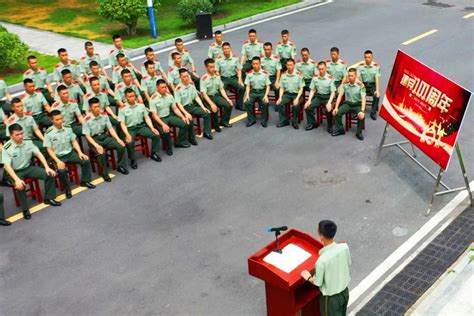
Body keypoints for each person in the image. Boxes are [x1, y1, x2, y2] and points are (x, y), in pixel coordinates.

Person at [2, 124, 61, 220]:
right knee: (20, 186)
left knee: (49, 175)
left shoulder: (28, 141)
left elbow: (38, 154)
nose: (20, 136)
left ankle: (49, 198)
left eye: (21, 133)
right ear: (11, 135)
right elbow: (7, 166)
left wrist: (47, 167)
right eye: (17, 135)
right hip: (15, 172)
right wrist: (16, 180)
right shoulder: (6, 148)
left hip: (28, 168)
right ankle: (25, 209)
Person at [301, 220, 351, 316]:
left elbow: (317, 282)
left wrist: (308, 277)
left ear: (321, 237)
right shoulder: (344, 248)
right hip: (344, 293)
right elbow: (348, 263)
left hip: (331, 300)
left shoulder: (321, 261)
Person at [44, 110, 96, 199]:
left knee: (85, 160)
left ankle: (85, 181)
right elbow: (49, 149)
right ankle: (67, 188)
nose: (60, 121)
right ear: (51, 120)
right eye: (57, 120)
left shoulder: (67, 127)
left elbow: (73, 141)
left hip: (70, 153)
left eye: (61, 118)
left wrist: (80, 153)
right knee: (61, 171)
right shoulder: (48, 133)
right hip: (58, 157)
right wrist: (57, 161)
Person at [82, 98, 129, 182]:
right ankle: (105, 173)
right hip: (94, 139)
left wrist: (118, 139)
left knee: (120, 146)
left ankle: (120, 166)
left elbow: (110, 128)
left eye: (98, 106)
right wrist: (96, 145)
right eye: (95, 107)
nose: (97, 108)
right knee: (101, 153)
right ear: (90, 108)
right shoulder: (86, 120)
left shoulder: (104, 115)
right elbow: (87, 136)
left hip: (104, 136)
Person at [119, 88, 161, 169]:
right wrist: (127, 134)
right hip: (130, 129)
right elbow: (122, 123)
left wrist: (152, 128)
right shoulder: (122, 108)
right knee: (130, 142)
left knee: (156, 135)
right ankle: (133, 160)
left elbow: (146, 118)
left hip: (141, 127)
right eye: (129, 97)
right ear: (126, 97)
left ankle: (154, 153)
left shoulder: (141, 105)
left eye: (133, 96)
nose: (131, 98)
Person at [150, 79, 193, 155]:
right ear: (157, 88)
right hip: (160, 119)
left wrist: (183, 117)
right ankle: (168, 148)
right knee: (166, 130)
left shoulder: (169, 96)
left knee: (185, 123)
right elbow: (154, 115)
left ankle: (180, 141)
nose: (164, 89)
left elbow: (175, 109)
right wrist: (163, 124)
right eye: (162, 87)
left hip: (169, 116)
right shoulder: (153, 99)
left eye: (165, 87)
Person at [174, 69, 213, 140]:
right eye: (184, 77)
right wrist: (185, 113)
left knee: (206, 113)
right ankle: (191, 138)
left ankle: (207, 132)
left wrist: (203, 107)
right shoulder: (178, 89)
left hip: (192, 106)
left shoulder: (191, 85)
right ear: (180, 77)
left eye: (187, 76)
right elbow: (178, 104)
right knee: (190, 119)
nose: (186, 78)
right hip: (184, 108)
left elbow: (196, 97)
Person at [332, 68, 366, 140]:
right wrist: (336, 107)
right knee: (337, 113)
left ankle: (359, 132)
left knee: (361, 116)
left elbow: (363, 98)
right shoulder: (345, 84)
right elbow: (340, 95)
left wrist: (362, 110)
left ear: (356, 76)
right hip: (348, 103)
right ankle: (340, 129)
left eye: (352, 76)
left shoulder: (360, 85)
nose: (350, 77)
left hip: (357, 104)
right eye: (349, 76)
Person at [200, 58, 234, 130]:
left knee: (229, 105)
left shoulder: (217, 76)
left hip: (216, 96)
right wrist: (212, 104)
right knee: (214, 108)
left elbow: (221, 89)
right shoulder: (204, 79)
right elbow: (204, 94)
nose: (213, 69)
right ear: (206, 67)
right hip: (208, 98)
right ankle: (215, 126)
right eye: (211, 67)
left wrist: (227, 99)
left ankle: (224, 121)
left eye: (214, 66)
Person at [304, 61, 337, 133]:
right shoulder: (315, 77)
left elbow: (333, 92)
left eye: (322, 69)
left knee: (328, 109)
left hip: (328, 97)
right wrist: (309, 100)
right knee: (307, 107)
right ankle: (313, 123)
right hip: (318, 96)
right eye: (319, 69)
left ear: (326, 68)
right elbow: (312, 90)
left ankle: (330, 125)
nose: (321, 70)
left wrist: (329, 103)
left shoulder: (330, 78)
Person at [215, 42, 245, 110]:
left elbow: (239, 69)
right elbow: (217, 71)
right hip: (223, 79)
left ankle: (239, 104)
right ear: (222, 50)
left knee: (242, 88)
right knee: (220, 90)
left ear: (230, 49)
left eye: (227, 48)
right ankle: (225, 105)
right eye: (224, 49)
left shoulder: (235, 58)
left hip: (233, 78)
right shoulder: (218, 59)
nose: (226, 50)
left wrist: (240, 80)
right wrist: (219, 81)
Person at [276, 58, 305, 129]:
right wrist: (280, 98)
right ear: (286, 65)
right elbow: (282, 87)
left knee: (295, 105)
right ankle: (284, 120)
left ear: (294, 65)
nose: (289, 66)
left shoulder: (299, 74)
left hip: (297, 95)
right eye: (288, 65)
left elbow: (301, 88)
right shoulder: (283, 75)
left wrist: (297, 99)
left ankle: (294, 121)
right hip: (287, 94)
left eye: (291, 65)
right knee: (279, 104)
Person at [243, 57, 270, 128]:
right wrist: (247, 95)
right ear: (252, 64)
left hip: (262, 92)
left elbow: (268, 86)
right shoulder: (249, 74)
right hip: (253, 92)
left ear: (260, 64)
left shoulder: (265, 73)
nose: (255, 65)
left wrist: (266, 95)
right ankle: (252, 119)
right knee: (247, 102)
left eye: (257, 64)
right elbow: (248, 86)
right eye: (254, 64)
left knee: (265, 103)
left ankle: (264, 120)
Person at [356, 50, 381, 120]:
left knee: (376, 95)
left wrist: (377, 90)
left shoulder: (376, 66)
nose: (367, 59)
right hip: (363, 84)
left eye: (369, 57)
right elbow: (357, 78)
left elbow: (377, 79)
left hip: (372, 85)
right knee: (356, 93)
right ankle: (358, 111)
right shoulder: (361, 66)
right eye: (366, 57)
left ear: (372, 57)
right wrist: (360, 85)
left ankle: (373, 112)